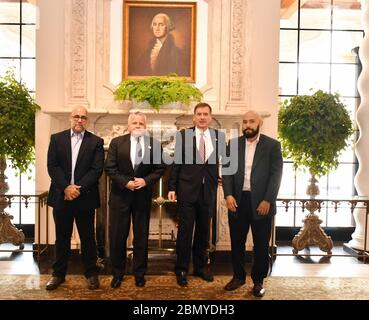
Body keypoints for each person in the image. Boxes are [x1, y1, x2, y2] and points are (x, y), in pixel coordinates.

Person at [222, 110, 283, 297]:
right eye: (245, 122)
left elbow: (276, 175)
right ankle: (238, 277)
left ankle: (258, 281)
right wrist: (228, 195)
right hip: (238, 200)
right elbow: (227, 171)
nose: (247, 125)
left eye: (251, 121)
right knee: (237, 242)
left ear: (259, 123)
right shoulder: (232, 145)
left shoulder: (272, 146)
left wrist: (268, 200)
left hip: (261, 201)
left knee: (261, 245)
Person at [46, 106, 104, 290]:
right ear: (70, 118)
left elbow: (96, 170)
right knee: (62, 237)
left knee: (88, 237)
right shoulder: (57, 139)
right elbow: (52, 166)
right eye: (76, 116)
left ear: (87, 120)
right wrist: (66, 187)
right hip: (61, 195)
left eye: (83, 117)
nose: (79, 120)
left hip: (84, 196)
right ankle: (58, 274)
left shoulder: (95, 142)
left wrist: (77, 188)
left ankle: (91, 274)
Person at [104, 112, 165, 288]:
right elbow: (110, 168)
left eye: (141, 123)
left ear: (145, 126)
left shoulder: (154, 144)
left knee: (141, 237)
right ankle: (117, 273)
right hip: (120, 197)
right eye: (134, 123)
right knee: (117, 237)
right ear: (128, 125)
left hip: (142, 197)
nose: (138, 126)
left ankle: (140, 273)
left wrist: (145, 181)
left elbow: (160, 168)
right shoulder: (117, 143)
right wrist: (126, 183)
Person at [168, 102, 226, 287]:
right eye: (199, 114)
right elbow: (176, 163)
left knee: (203, 231)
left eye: (205, 114)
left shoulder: (219, 136)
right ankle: (182, 269)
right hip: (186, 190)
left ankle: (200, 268)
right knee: (185, 232)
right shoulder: (184, 135)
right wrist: (171, 187)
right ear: (194, 117)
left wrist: (223, 178)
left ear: (210, 117)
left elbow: (225, 162)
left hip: (208, 191)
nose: (202, 117)